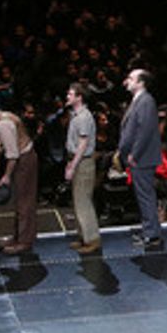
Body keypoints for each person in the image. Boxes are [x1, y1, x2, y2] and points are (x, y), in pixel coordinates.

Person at [0, 101, 38, 254]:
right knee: (20, 201)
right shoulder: (7, 115)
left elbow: (13, 154)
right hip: (25, 157)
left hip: (24, 161)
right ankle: (17, 237)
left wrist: (7, 176)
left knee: (24, 203)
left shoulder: (2, 125)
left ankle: (24, 242)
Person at [118, 67, 163, 250]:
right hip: (139, 158)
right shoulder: (139, 101)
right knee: (143, 196)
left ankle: (152, 234)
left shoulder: (145, 101)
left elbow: (144, 130)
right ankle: (149, 231)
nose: (127, 81)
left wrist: (133, 154)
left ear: (141, 82)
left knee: (145, 196)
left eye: (131, 78)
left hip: (141, 158)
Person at [63, 82, 100, 254]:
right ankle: (83, 236)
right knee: (78, 201)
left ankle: (92, 239)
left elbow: (83, 144)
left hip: (83, 162)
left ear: (79, 97)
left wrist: (72, 166)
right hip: (77, 160)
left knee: (83, 201)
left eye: (70, 94)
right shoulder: (75, 115)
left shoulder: (84, 117)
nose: (67, 97)